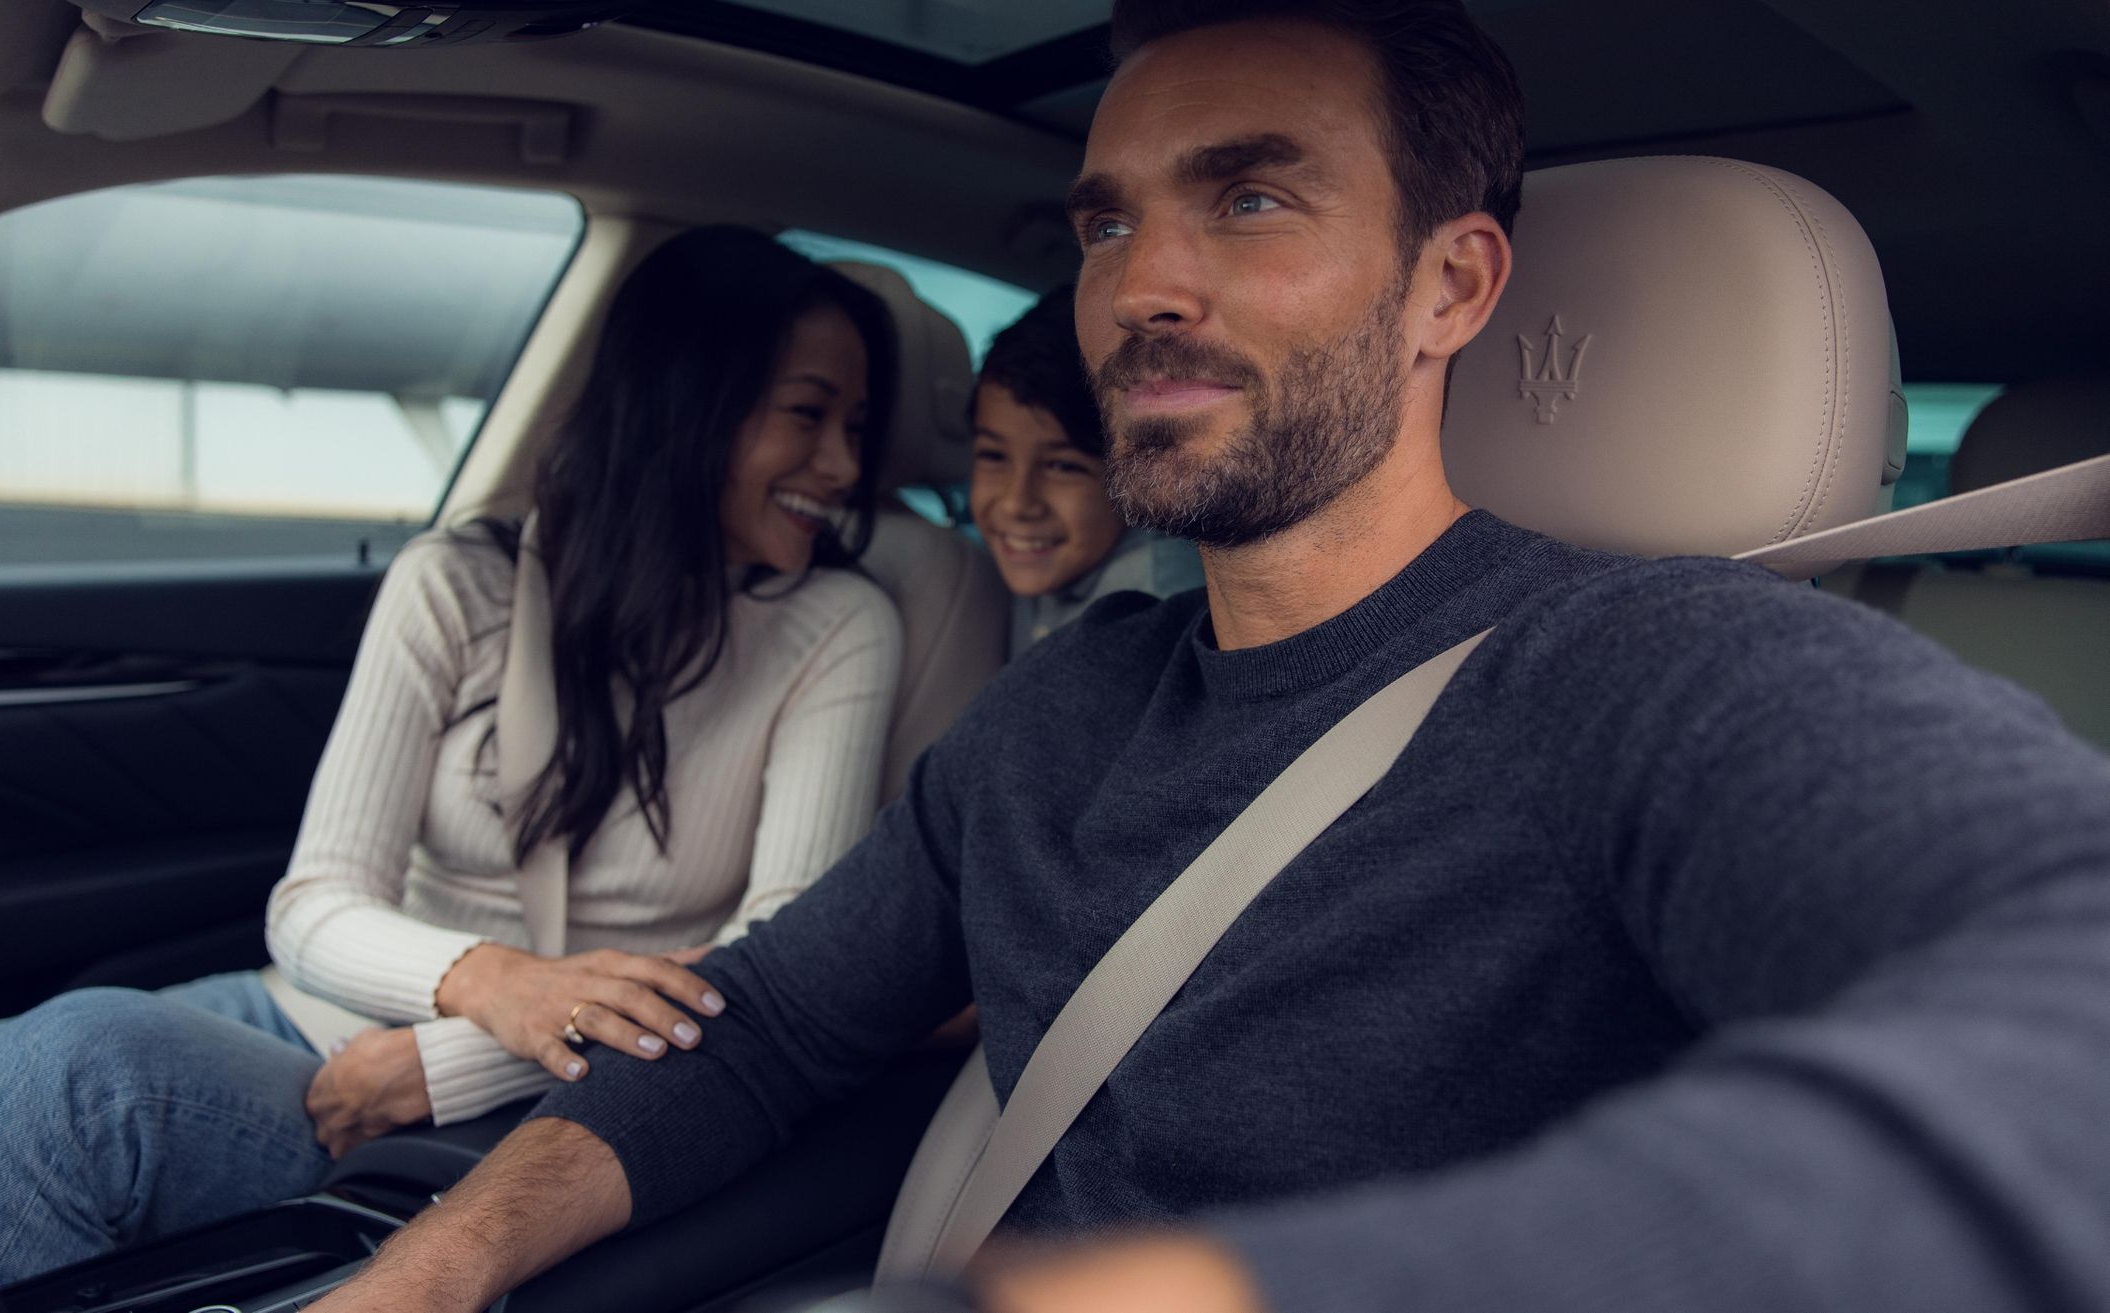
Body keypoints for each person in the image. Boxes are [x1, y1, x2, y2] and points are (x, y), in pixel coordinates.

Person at [308, 4, 2110, 1312]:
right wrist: (433, 1268)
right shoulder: (1062, 710)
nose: (1140, 283)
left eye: (1252, 198)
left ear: (1451, 290)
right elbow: (762, 1033)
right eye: (1108, 218)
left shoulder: (1653, 674)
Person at [0, 226, 908, 1285]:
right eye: (806, 413)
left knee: (76, 1069)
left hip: (549, 1090)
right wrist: (492, 984)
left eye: (857, 426)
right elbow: (315, 901)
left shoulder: (837, 627)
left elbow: (778, 964)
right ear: (687, 404)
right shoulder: (458, 583)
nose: (840, 466)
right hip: (304, 1011)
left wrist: (445, 1064)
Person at [968, 286, 1202, 655]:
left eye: (1063, 466)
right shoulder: (991, 568)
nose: (1016, 503)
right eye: (994, 456)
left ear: (1137, 471)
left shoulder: (1150, 607)